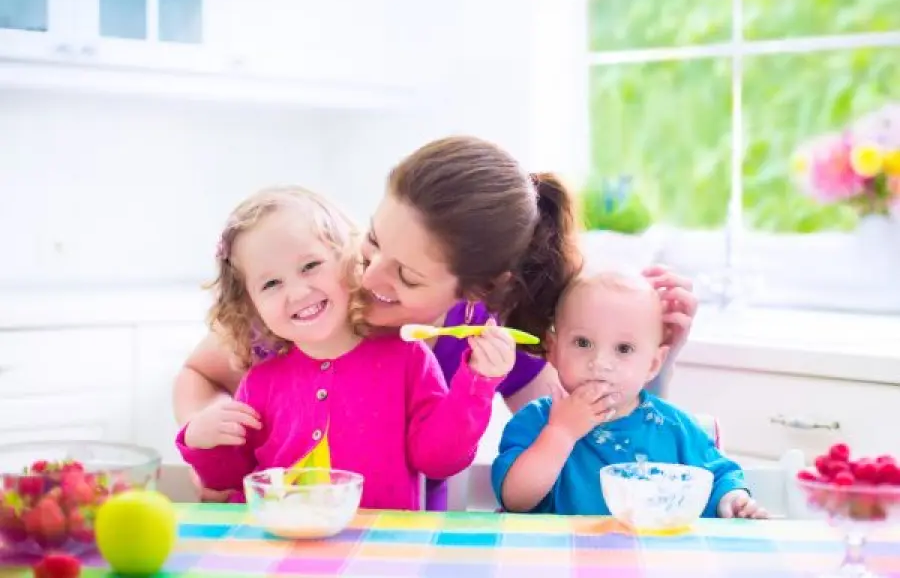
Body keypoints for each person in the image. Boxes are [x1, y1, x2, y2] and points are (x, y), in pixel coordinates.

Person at [172, 135, 699, 506]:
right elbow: (199, 375)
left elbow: (593, 440)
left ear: (473, 296)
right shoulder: (304, 302)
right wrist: (219, 441)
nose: (370, 274)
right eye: (374, 239)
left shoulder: (479, 336)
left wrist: (661, 362)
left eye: (407, 276)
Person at [176, 186, 515, 509]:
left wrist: (476, 384)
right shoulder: (260, 382)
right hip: (277, 548)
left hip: (376, 550)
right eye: (271, 283)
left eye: (310, 266)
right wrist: (200, 440)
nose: (296, 293)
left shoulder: (406, 358)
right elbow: (228, 479)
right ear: (250, 304)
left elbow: (440, 460)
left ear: (349, 259)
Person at [491, 269, 768, 519]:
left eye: (623, 349)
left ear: (653, 364)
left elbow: (719, 477)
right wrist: (560, 434)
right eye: (583, 342)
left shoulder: (674, 427)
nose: (600, 362)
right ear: (553, 348)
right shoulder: (537, 421)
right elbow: (515, 500)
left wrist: (732, 500)